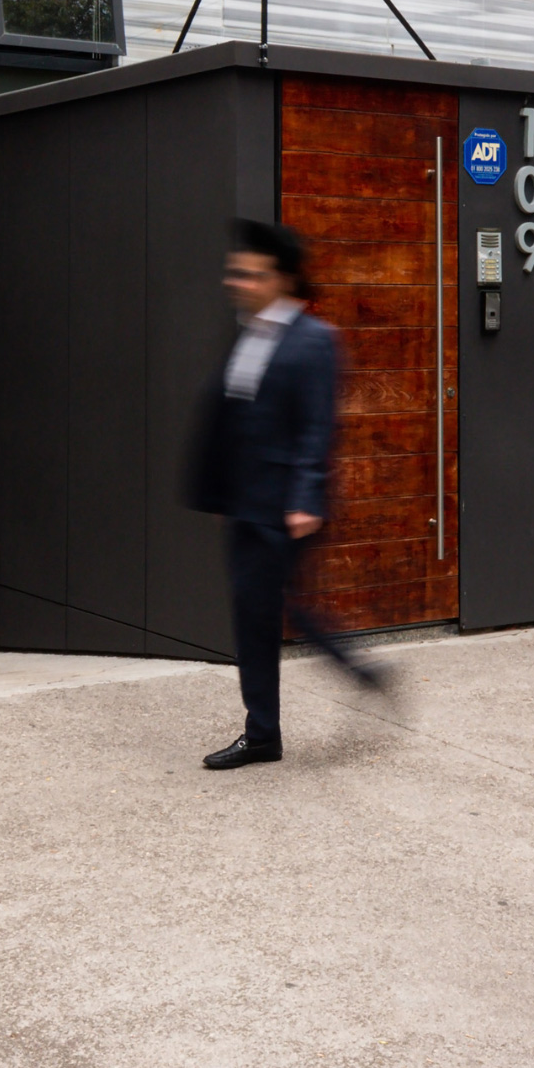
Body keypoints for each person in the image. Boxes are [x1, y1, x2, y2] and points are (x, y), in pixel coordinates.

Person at [185, 217, 385, 767]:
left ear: (281, 279)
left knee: (277, 608)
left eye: (251, 275)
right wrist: (222, 495)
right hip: (247, 502)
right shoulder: (249, 333)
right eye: (235, 273)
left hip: (286, 505)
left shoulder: (314, 339)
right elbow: (237, 420)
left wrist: (305, 497)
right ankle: (268, 731)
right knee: (260, 612)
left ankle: (334, 684)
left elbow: (317, 426)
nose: (238, 283)